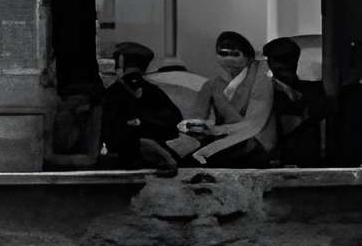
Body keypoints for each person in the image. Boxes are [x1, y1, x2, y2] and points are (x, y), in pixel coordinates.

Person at [173, 31, 277, 167]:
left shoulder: (261, 77)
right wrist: (195, 125)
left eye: (235, 54)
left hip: (254, 140)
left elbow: (254, 124)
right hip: (223, 138)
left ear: (248, 56)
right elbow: (197, 116)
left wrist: (215, 131)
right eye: (223, 54)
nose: (228, 59)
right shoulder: (212, 85)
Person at [96, 40, 185, 176]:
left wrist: (139, 122)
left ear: (121, 64)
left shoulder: (114, 92)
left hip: (128, 157)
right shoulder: (152, 90)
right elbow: (174, 121)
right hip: (146, 156)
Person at [263, 37, 325, 165]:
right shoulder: (263, 93)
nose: (285, 65)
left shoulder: (314, 90)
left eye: (289, 59)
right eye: (279, 60)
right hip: (278, 162)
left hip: (309, 162)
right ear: (270, 62)